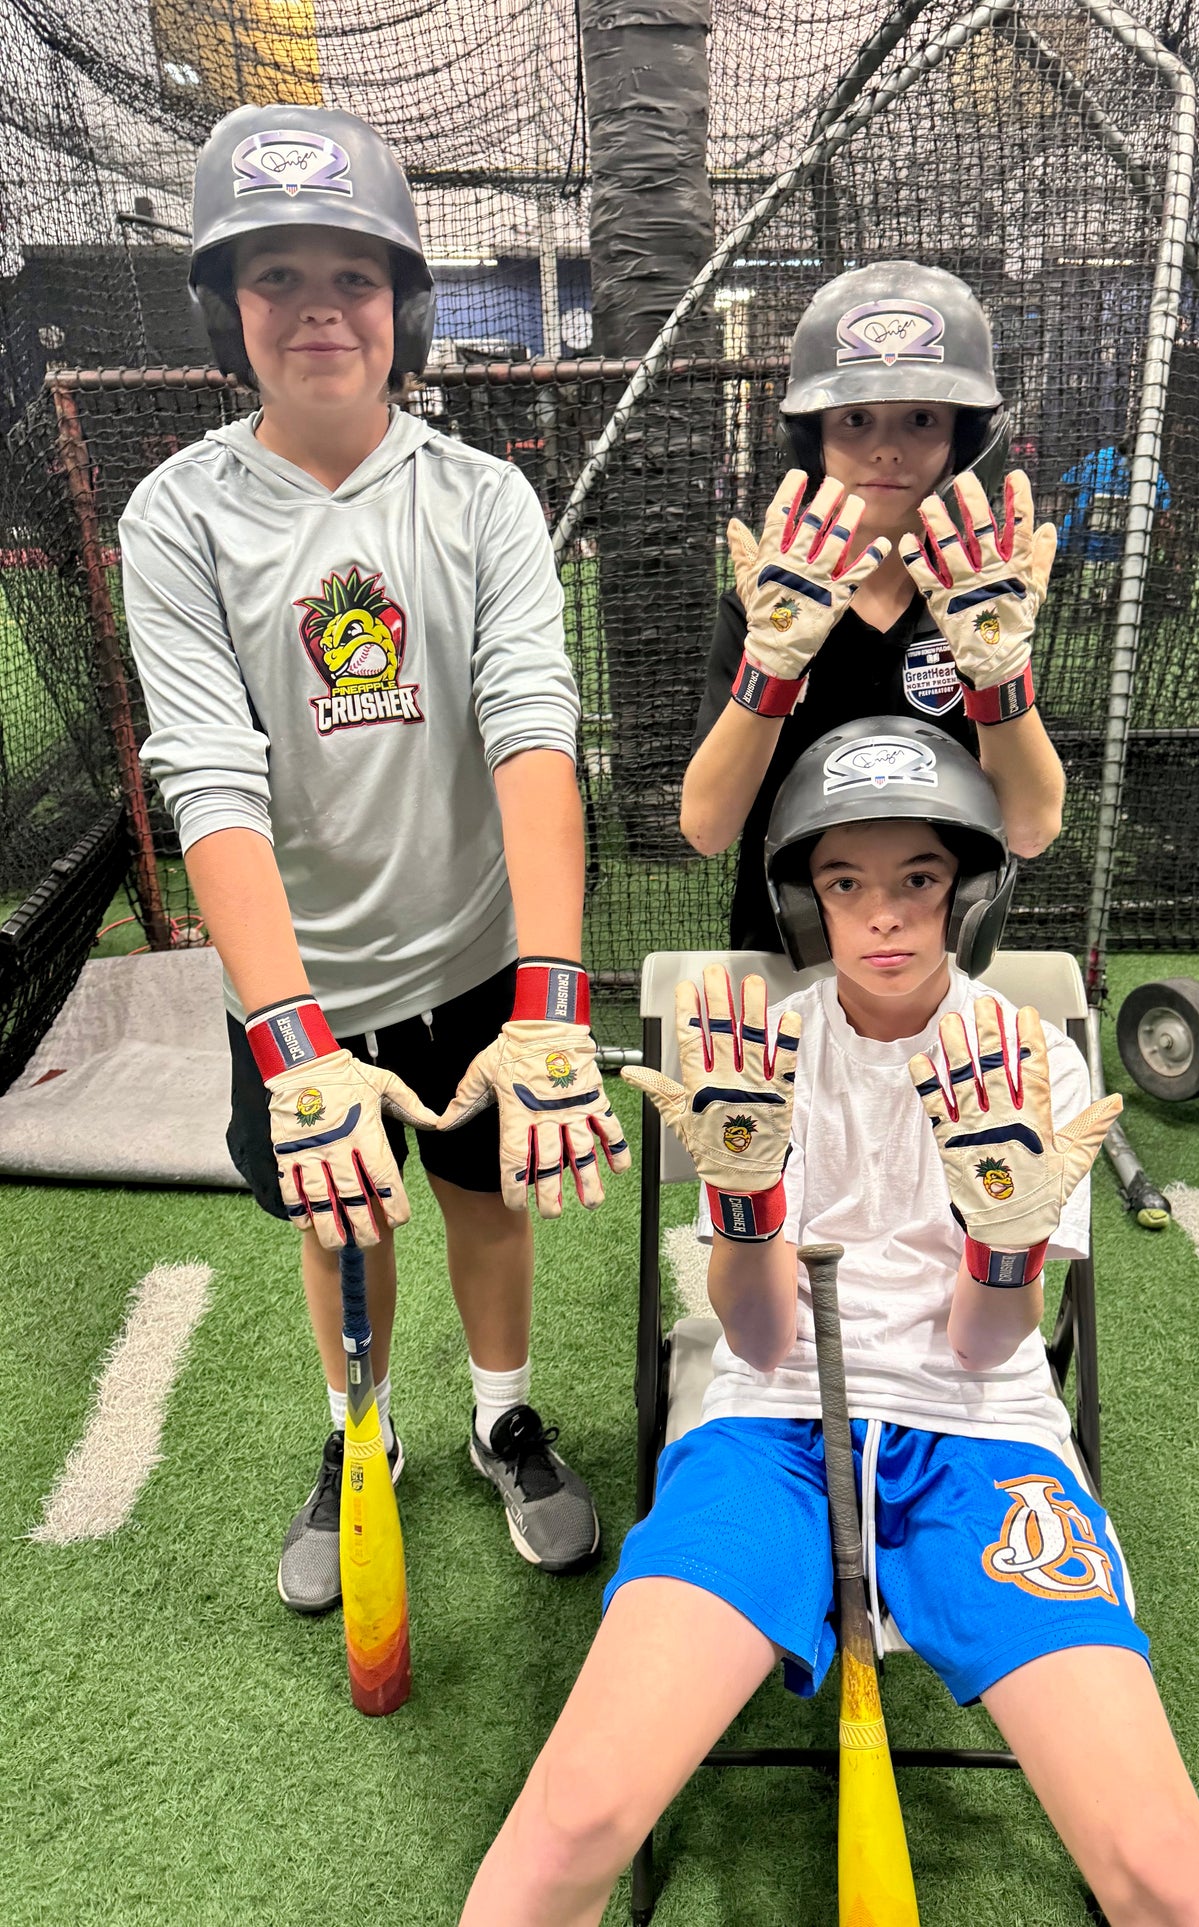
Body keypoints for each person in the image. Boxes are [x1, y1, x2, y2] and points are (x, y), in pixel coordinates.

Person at [461, 717, 1199, 1927]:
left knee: (1163, 1865)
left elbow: (986, 1346)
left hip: (978, 1438)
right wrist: (745, 1202)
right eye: (845, 883)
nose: (883, 915)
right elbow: (758, 1340)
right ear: (805, 903)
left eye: (917, 880)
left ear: (968, 894)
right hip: (770, 1429)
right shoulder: (758, 1054)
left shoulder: (1029, 1060)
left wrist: (1003, 1235)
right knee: (569, 1817)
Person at [118, 104, 629, 1608]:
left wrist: (549, 1003)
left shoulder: (479, 497)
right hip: (301, 978)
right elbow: (210, 779)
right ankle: (363, 1431)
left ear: (401, 301)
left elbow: (531, 732)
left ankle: (501, 1414)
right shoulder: (178, 515)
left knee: (487, 1196)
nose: (318, 311)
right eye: (274, 277)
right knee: (340, 1214)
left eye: (352, 276)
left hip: (472, 950)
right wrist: (293, 1045)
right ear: (228, 309)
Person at [680, 259, 1068, 952]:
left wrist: (998, 670)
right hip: (788, 950)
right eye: (855, 419)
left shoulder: (984, 596)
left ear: (963, 437)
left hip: (939, 959)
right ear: (814, 437)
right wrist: (772, 662)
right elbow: (707, 828)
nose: (887, 450)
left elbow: (1032, 829)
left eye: (920, 419)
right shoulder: (766, 603)